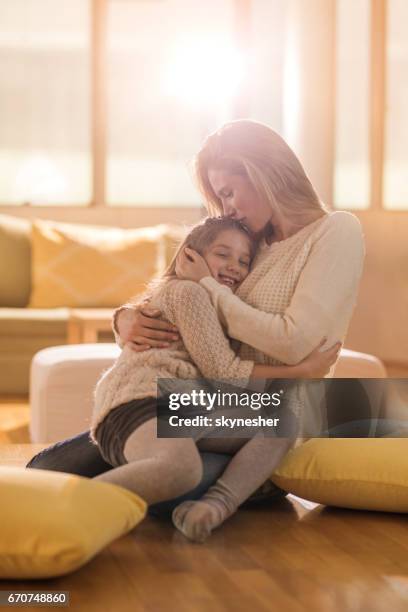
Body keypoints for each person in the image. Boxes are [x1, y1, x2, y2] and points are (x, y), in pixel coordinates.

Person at [27, 119, 364, 533]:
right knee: (46, 468)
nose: (227, 209)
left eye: (228, 192)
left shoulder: (335, 231)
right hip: (195, 401)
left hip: (263, 416)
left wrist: (208, 285)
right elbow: (180, 299)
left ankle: (113, 498)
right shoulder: (250, 242)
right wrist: (126, 319)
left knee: (175, 486)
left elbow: (292, 343)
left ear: (263, 173)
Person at [90, 216, 339, 543]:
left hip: (185, 405)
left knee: (282, 422)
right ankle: (69, 503)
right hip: (141, 402)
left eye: (244, 260)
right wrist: (302, 370)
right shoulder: (188, 292)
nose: (234, 266)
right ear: (189, 257)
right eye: (223, 254)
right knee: (181, 469)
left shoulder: (221, 309)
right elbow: (225, 373)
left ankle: (215, 506)